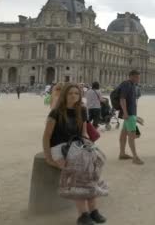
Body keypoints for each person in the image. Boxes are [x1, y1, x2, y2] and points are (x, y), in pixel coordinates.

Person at [42, 83, 107, 225]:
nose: (73, 96)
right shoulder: (56, 112)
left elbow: (83, 132)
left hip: (77, 145)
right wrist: (48, 157)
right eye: (70, 93)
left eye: (76, 94)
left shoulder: (82, 110)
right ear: (65, 94)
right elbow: (47, 136)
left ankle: (93, 210)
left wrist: (89, 145)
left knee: (91, 170)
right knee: (78, 175)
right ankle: (83, 214)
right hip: (60, 147)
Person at [118, 70, 144, 165]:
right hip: (129, 115)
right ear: (131, 76)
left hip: (130, 114)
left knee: (123, 135)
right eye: (137, 77)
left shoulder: (132, 85)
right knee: (132, 136)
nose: (138, 79)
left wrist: (135, 116)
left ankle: (122, 153)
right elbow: (122, 99)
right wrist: (125, 113)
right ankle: (135, 157)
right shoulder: (127, 84)